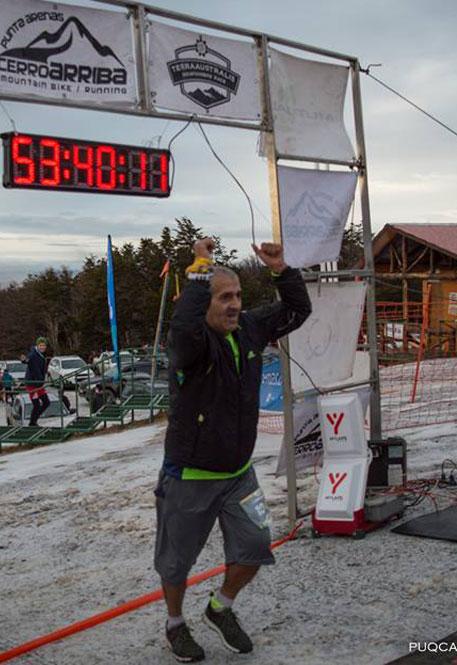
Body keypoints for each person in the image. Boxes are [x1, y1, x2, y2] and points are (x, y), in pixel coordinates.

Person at [155, 238, 311, 661]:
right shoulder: (192, 345)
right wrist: (199, 271)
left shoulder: (250, 329)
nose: (235, 305)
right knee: (176, 563)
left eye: (238, 296)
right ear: (204, 303)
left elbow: (298, 311)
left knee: (256, 545)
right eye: (224, 297)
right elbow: (182, 328)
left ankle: (219, 608)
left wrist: (282, 270)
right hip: (189, 474)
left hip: (238, 472)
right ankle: (175, 624)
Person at [25, 338, 50, 426]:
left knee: (46, 402)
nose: (42, 347)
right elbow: (28, 359)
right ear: (37, 346)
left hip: (39, 384)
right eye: (41, 346)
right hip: (32, 384)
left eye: (44, 346)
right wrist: (24, 360)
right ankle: (32, 423)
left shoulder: (41, 355)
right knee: (36, 405)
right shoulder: (33, 354)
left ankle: (33, 421)